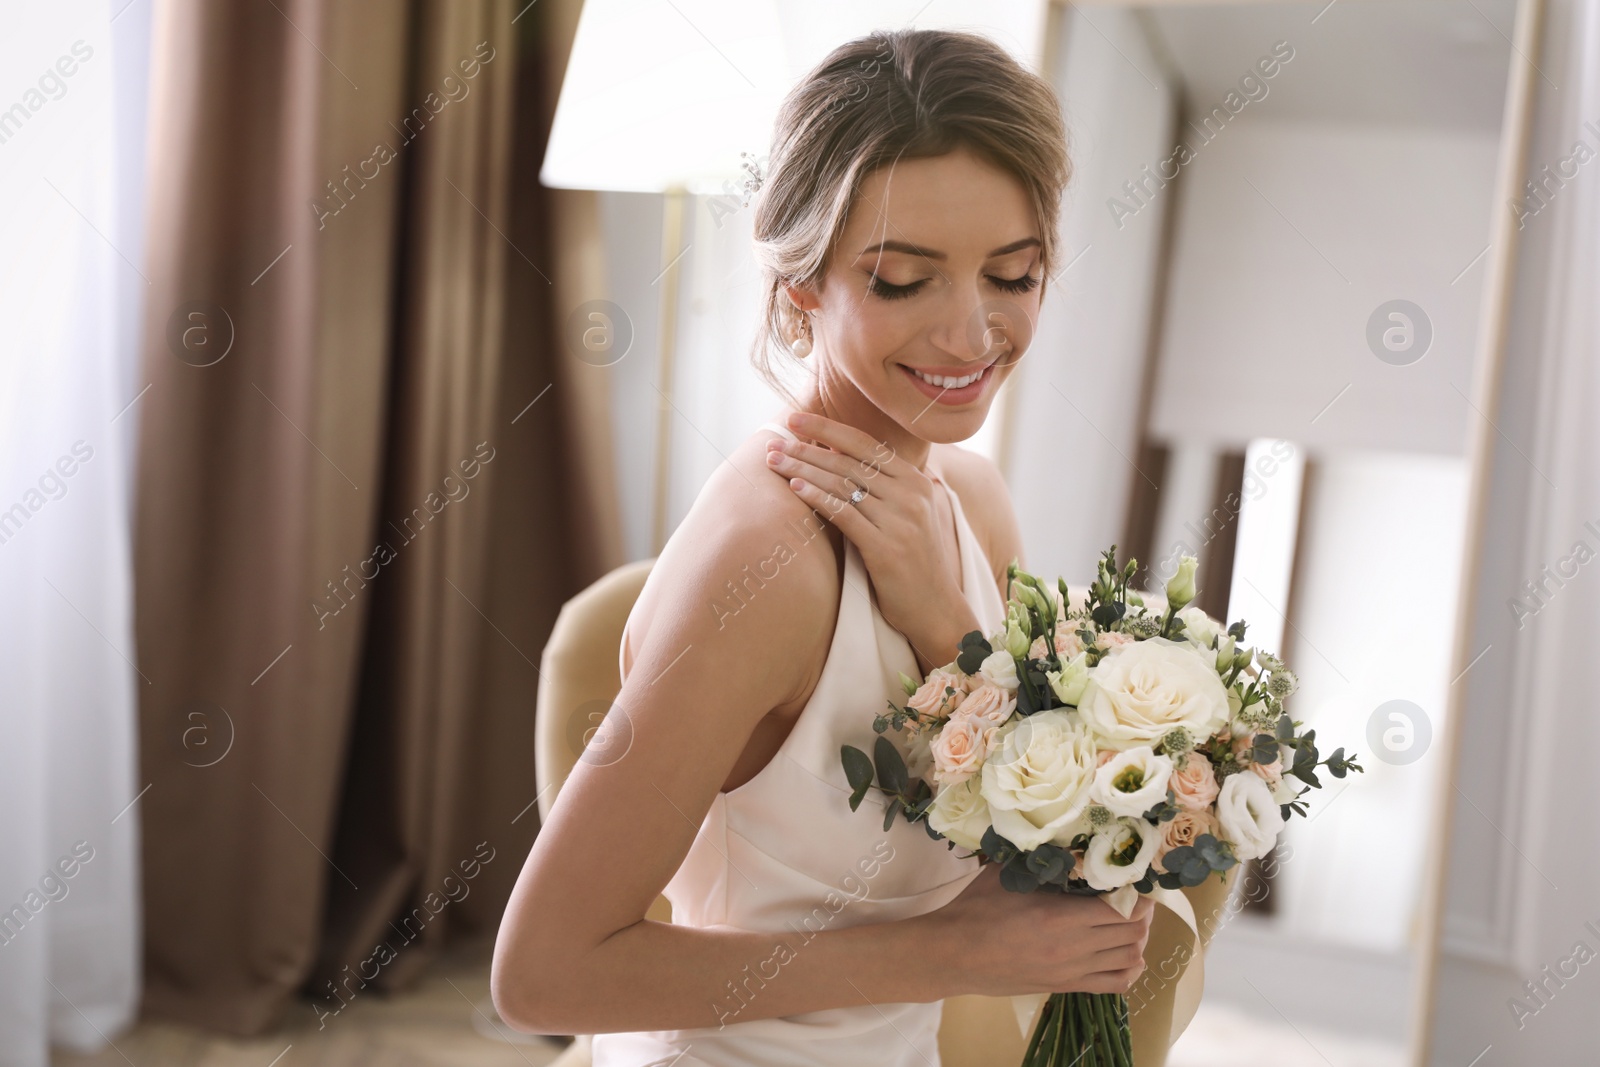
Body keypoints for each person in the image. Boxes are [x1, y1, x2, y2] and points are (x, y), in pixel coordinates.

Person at [491, 27, 1155, 1066]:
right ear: (800, 288)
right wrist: (946, 951)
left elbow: (1035, 837)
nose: (972, 336)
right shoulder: (761, 568)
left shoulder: (970, 502)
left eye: (1012, 275)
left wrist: (947, 623)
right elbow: (542, 972)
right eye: (903, 279)